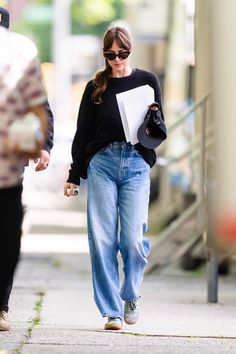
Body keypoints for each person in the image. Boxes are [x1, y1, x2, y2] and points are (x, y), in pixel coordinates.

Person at [64, 26, 165, 330]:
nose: (117, 60)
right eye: (111, 54)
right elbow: (83, 133)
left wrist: (153, 116)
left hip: (135, 162)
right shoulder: (96, 85)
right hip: (103, 163)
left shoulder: (147, 81)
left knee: (132, 238)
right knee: (102, 240)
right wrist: (74, 174)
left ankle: (131, 293)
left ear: (130, 50)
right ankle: (112, 312)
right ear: (104, 54)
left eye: (123, 53)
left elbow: (159, 129)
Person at [0, 6, 51, 331]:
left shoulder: (21, 48)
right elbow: (37, 107)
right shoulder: (21, 49)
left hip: (8, 168)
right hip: (7, 170)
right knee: (6, 239)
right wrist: (33, 148)